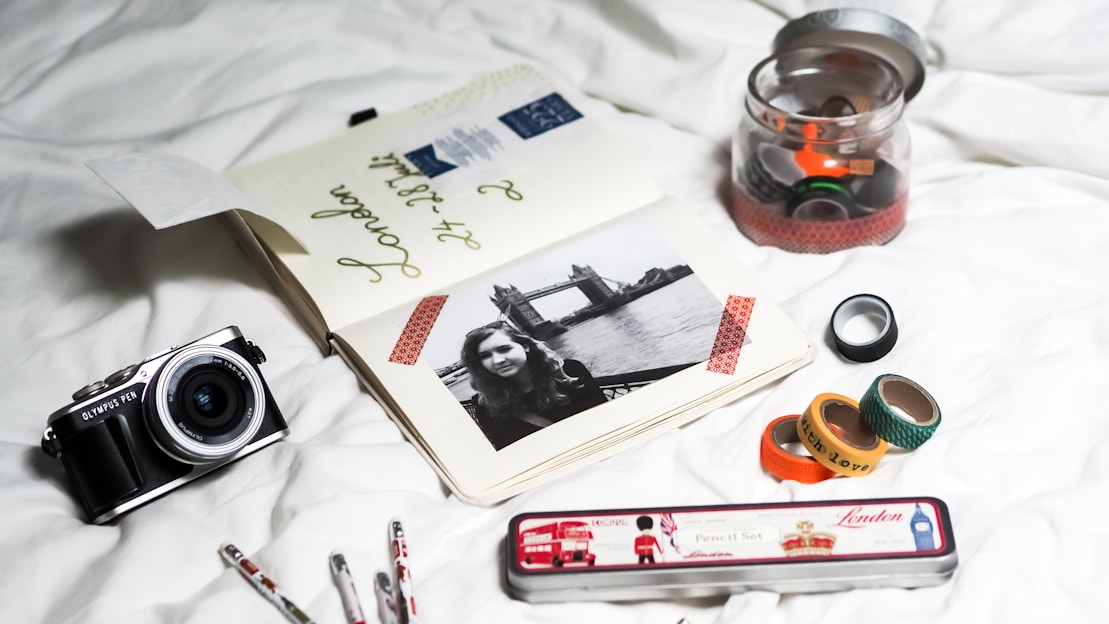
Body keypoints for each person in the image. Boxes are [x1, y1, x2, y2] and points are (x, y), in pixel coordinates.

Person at [460, 322, 607, 450]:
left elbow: (605, 419)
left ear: (525, 346)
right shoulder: (487, 408)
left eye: (504, 349)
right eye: (485, 356)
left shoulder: (571, 371)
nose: (497, 360)